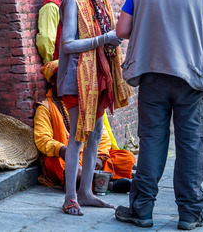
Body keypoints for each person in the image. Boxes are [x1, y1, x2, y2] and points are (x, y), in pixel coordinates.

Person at [115, 0, 203, 230]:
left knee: (151, 143)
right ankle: (189, 213)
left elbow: (122, 30)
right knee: (190, 145)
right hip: (190, 80)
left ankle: (142, 210)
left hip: (152, 76)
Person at [57, 0, 132, 216]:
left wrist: (109, 40)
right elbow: (67, 45)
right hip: (77, 77)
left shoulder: (97, 0)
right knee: (77, 136)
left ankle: (86, 192)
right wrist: (104, 40)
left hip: (97, 75)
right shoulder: (72, 1)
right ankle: (70, 197)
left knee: (97, 132)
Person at [34, 60, 134, 193]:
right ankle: (107, 183)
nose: (71, 80)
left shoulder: (84, 103)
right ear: (53, 81)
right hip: (64, 156)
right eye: (65, 77)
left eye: (72, 76)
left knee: (126, 157)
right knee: (60, 165)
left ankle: (92, 179)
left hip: (89, 154)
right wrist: (64, 150)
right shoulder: (45, 108)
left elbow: (101, 134)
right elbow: (42, 140)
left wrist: (99, 156)